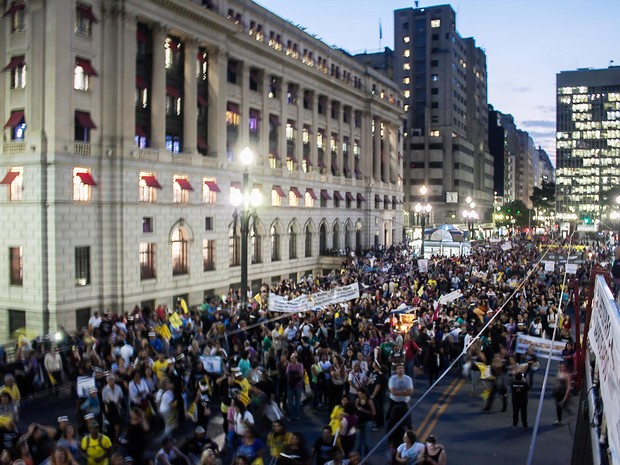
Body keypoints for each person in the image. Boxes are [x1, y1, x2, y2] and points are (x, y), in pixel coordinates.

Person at [388, 364, 414, 428]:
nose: (401, 369)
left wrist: (398, 392)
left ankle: (409, 429)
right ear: (396, 370)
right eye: (399, 368)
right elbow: (393, 392)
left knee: (408, 417)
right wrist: (404, 391)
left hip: (404, 402)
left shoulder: (408, 379)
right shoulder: (392, 379)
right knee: (393, 418)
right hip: (394, 402)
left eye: (402, 368)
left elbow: (410, 392)